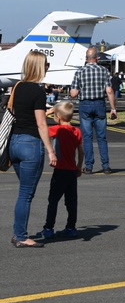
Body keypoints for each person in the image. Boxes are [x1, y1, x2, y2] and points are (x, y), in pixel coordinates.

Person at [9, 51, 59, 247]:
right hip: (30, 144)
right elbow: (41, 124)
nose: (48, 68)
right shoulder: (38, 91)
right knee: (26, 194)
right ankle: (20, 236)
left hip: (15, 142)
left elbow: (16, 113)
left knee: (24, 191)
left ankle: (19, 232)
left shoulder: (17, 87)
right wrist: (51, 150)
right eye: (46, 65)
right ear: (40, 67)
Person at [69, 46, 117, 174]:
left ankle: (89, 166)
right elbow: (109, 91)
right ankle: (106, 165)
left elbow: (73, 93)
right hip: (99, 104)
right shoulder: (104, 71)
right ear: (97, 58)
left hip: (85, 104)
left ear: (86, 58)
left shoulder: (80, 72)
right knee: (101, 137)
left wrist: (78, 89)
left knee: (87, 137)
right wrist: (113, 108)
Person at [41, 101, 84, 239]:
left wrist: (47, 112)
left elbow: (41, 128)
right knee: (71, 200)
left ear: (58, 116)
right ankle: (71, 227)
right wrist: (79, 166)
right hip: (71, 169)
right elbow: (81, 151)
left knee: (53, 199)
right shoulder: (77, 131)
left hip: (60, 170)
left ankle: (48, 227)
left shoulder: (56, 130)